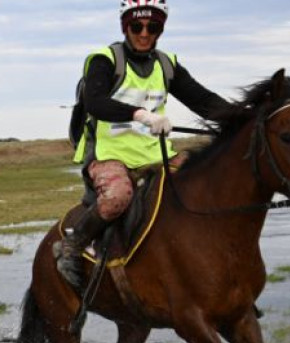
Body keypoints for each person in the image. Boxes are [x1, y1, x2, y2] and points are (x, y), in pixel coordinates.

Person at [60, 0, 231, 287]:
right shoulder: (105, 59)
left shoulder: (166, 64)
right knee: (117, 197)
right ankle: (71, 246)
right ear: (125, 27)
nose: (144, 33)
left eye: (153, 27)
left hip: (156, 154)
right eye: (136, 26)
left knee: (204, 183)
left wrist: (244, 117)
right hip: (110, 156)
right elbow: (96, 102)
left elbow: (203, 101)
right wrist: (139, 114)